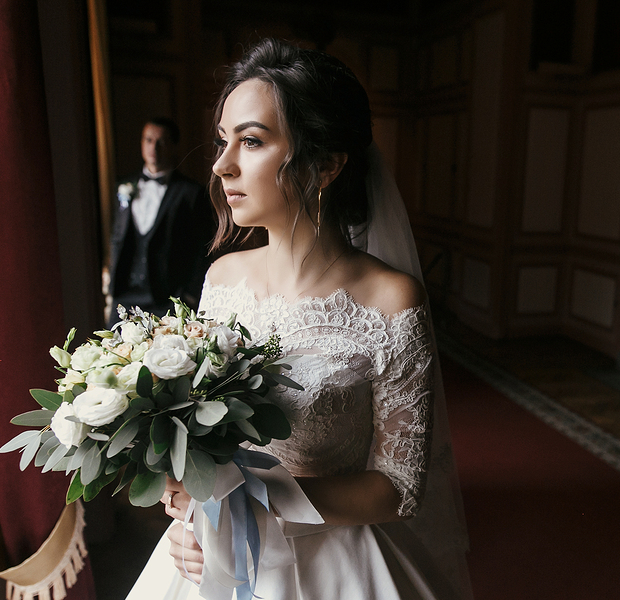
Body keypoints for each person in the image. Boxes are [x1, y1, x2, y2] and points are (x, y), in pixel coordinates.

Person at [126, 39, 472, 600]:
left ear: (326, 164)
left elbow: (398, 487)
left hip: (332, 563)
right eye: (222, 141)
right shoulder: (223, 279)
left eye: (253, 141)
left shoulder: (391, 301)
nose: (221, 164)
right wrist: (187, 508)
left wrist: (258, 508)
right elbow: (199, 434)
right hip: (215, 559)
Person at [106, 117, 214, 327]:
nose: (153, 147)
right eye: (148, 140)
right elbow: (117, 236)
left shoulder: (191, 193)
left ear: (173, 146)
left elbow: (203, 247)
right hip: (124, 296)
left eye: (161, 142)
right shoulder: (124, 186)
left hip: (166, 299)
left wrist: (189, 295)